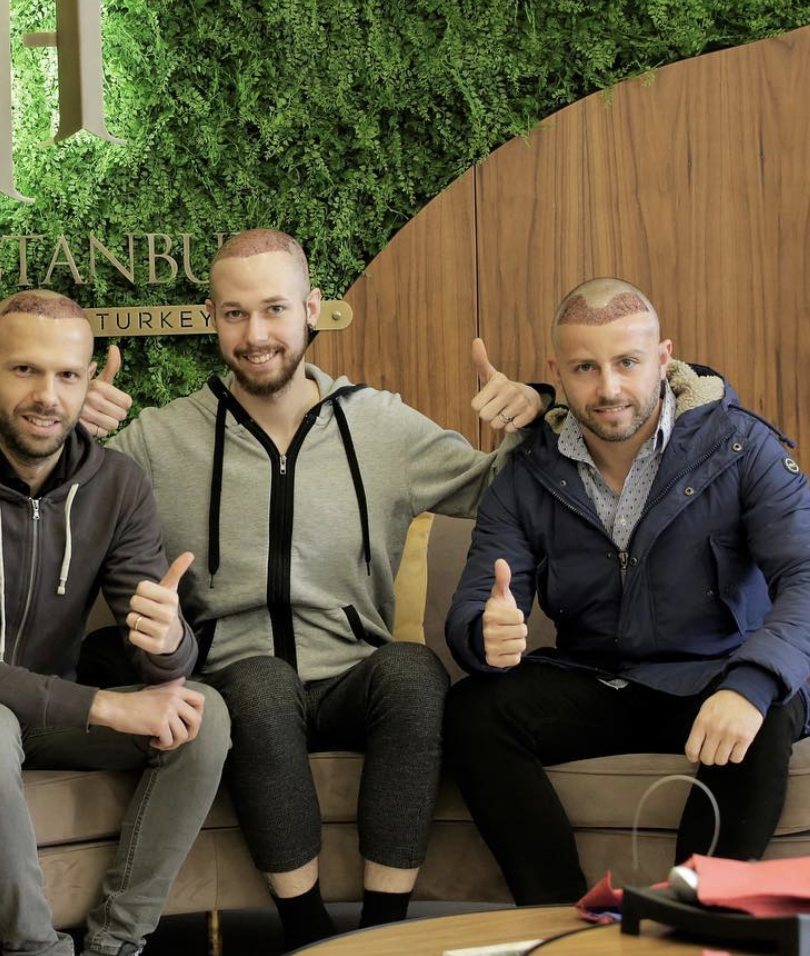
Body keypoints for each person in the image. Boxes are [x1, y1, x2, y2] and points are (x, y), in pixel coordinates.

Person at [83, 228, 547, 951]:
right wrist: (71, 432)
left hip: (353, 679)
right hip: (237, 682)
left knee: (413, 670)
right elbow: (60, 511)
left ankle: (382, 935)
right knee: (262, 683)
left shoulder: (380, 424)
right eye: (234, 314)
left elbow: (496, 490)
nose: (255, 335)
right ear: (211, 318)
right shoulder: (160, 438)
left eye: (274, 309)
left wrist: (534, 414)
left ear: (311, 309)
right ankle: (307, 935)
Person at [0, 289, 231, 956]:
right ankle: (38, 950)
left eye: (68, 375)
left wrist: (169, 643)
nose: (47, 395)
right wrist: (104, 707)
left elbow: (160, 659)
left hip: (52, 719)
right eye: (25, 371)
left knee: (200, 714)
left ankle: (116, 944)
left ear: (88, 380)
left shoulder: (117, 484)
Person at [444, 277, 810, 905]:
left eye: (627, 362)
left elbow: (804, 575)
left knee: (768, 709)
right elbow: (483, 593)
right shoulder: (526, 473)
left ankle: (692, 917)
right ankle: (558, 921)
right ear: (557, 372)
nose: (609, 388)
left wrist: (750, 684)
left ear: (664, 359)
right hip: (599, 680)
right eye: (585, 368)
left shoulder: (742, 448)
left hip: (716, 674)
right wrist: (483, 634)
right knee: (475, 710)